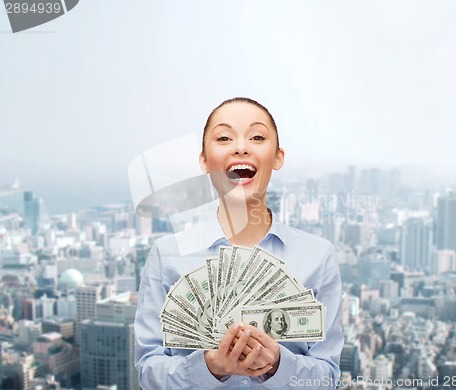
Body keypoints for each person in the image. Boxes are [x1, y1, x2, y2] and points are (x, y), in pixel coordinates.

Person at [134, 97, 344, 389]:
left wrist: (279, 366)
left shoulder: (318, 257)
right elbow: (148, 372)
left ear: (278, 157)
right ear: (204, 160)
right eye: (224, 137)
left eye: (257, 137)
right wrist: (210, 368)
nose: (241, 147)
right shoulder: (167, 254)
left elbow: (328, 378)